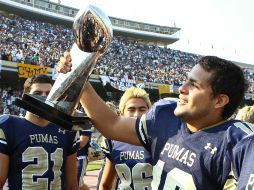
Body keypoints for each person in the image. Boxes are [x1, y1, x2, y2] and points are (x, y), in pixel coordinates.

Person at [58, 54, 253, 189]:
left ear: (219, 100)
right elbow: (112, 125)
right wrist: (78, 76)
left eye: (194, 85)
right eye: (186, 80)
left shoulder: (239, 143)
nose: (182, 88)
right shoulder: (165, 115)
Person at [0, 74, 80, 190]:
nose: (44, 97)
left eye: (49, 94)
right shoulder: (9, 126)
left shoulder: (67, 130)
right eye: (37, 93)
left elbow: (72, 185)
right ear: (25, 97)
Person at [98, 89, 153, 189]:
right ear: (121, 114)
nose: (137, 114)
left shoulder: (159, 138)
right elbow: (106, 184)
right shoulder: (113, 139)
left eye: (142, 109)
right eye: (131, 109)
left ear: (149, 112)